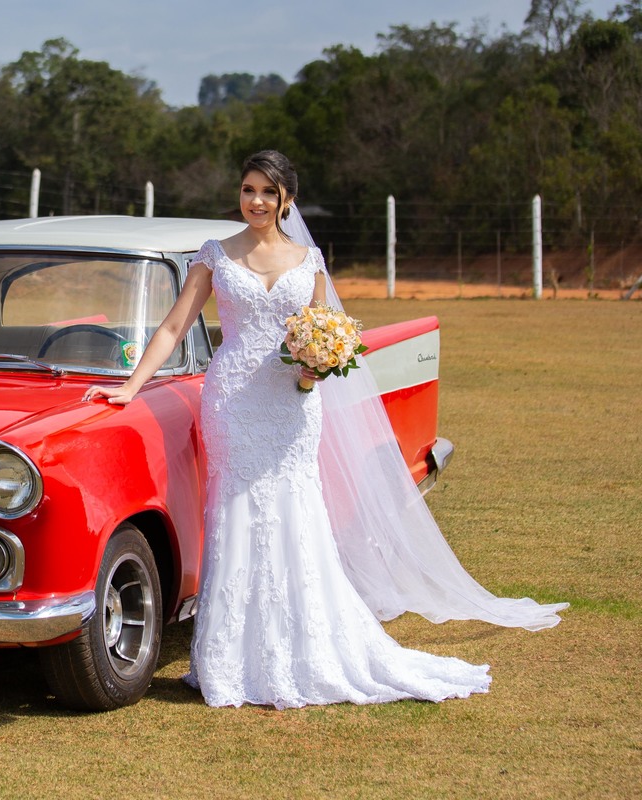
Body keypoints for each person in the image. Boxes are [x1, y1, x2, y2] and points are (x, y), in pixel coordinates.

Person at [83, 150, 566, 709]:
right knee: (235, 512)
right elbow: (173, 327)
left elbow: (323, 331)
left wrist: (316, 368)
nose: (256, 200)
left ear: (286, 198)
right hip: (232, 402)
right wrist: (131, 386)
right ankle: (231, 658)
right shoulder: (216, 254)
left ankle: (304, 647)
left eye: (268, 191)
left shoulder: (308, 259)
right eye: (248, 189)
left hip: (292, 404)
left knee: (295, 510)